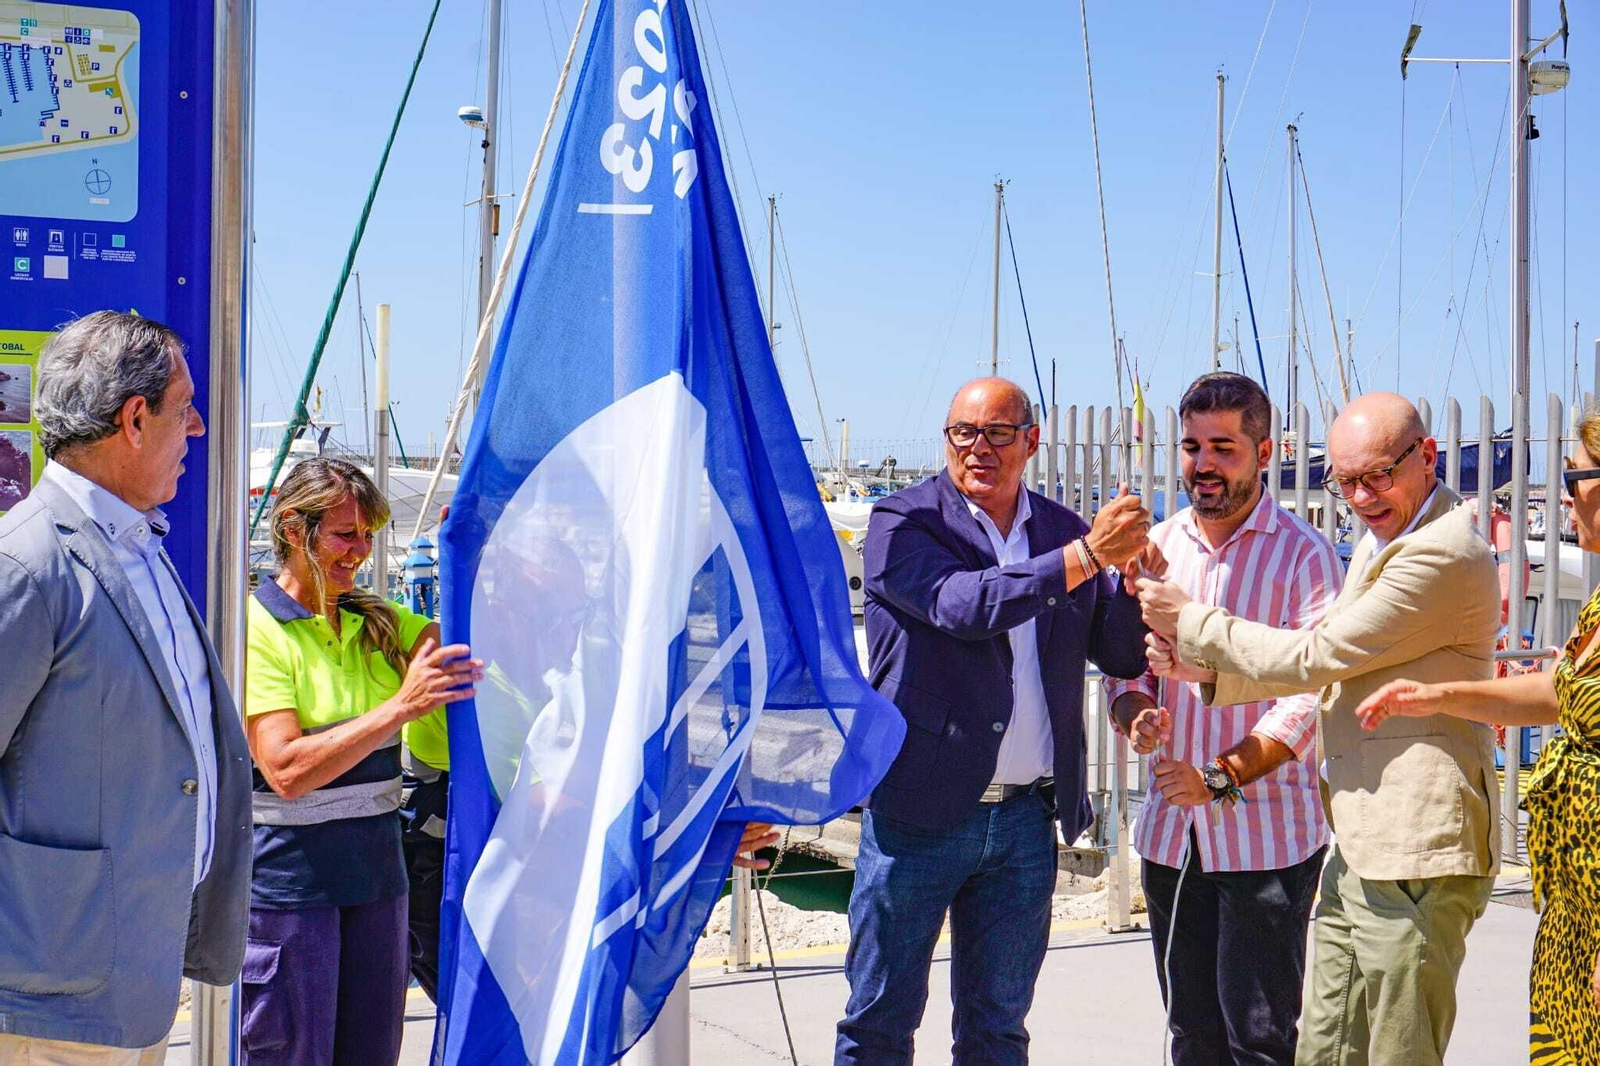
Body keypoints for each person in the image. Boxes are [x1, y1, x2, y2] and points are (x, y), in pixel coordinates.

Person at [1137, 392, 1502, 1066]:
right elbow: (1331, 673)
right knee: (1319, 1051)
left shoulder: (1438, 552)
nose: (1361, 497)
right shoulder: (1383, 539)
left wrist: (1191, 623)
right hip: (1358, 841)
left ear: (1427, 457)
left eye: (1378, 476)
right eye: (1347, 481)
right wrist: (1200, 677)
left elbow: (1317, 659)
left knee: (1381, 1050)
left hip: (1413, 844)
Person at [835, 377, 1152, 1065]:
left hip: (1024, 823)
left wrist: (1130, 583)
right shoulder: (902, 522)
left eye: (997, 433)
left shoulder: (1064, 530)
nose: (978, 447)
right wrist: (1087, 558)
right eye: (963, 432)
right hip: (917, 817)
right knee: (879, 1024)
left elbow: (1121, 655)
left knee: (998, 1030)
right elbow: (962, 606)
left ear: (1030, 442)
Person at [0, 311, 252, 1063]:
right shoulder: (26, 564)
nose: (197, 427)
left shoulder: (139, 543)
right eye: (185, 408)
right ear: (135, 420)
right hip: (50, 1001)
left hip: (134, 980)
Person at [1353, 403, 1600, 1063]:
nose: (1565, 495)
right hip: (1574, 906)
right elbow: (1557, 694)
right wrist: (1441, 696)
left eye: (1574, 477)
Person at [1106, 373, 1342, 1063]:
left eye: (1223, 448)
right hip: (1171, 838)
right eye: (1192, 447)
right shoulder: (1158, 546)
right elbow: (1127, 670)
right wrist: (1137, 712)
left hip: (1266, 840)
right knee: (1190, 1034)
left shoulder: (1305, 554)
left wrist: (1220, 776)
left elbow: (1313, 695)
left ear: (1263, 452)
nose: (1203, 464)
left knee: (1260, 1042)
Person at [243, 458, 483, 1064]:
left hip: (379, 886)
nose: (361, 551)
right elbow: (285, 770)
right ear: (293, 529)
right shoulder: (255, 628)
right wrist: (400, 707)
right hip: (289, 895)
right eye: (346, 534)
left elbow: (459, 651)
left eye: (369, 535)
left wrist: (472, 558)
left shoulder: (376, 620)